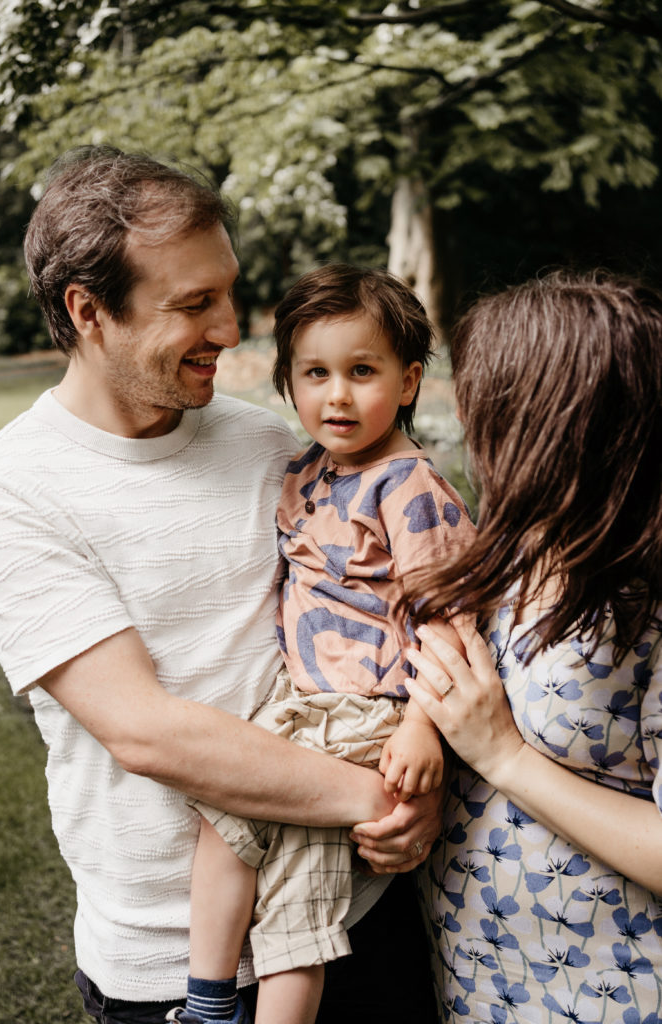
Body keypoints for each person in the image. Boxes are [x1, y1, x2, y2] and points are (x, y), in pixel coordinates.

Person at [0, 146, 443, 1024]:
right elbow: (145, 731)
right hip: (175, 961)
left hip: (358, 909)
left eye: (228, 294)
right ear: (88, 311)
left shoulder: (268, 444)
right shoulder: (9, 492)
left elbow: (398, 604)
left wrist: (415, 774)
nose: (231, 331)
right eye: (193, 305)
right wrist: (383, 799)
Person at [173, 265, 476, 1024]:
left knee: (297, 898)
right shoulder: (308, 467)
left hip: (371, 716)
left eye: (361, 372)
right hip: (306, 709)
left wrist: (421, 725)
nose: (336, 395)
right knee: (223, 814)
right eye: (316, 373)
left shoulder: (407, 488)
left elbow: (449, 616)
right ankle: (207, 1001)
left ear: (408, 382)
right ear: (288, 381)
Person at [400, 270, 662, 1023]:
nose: (464, 419)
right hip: (476, 986)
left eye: (485, 402)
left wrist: (505, 756)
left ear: (556, 425)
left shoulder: (646, 603)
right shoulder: (501, 556)